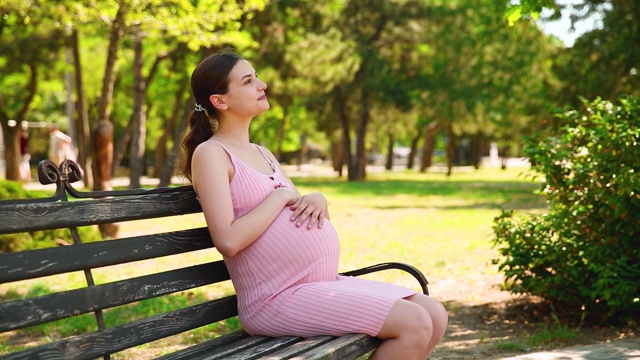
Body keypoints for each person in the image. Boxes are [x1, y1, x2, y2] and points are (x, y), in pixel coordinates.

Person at [180, 50, 448, 359]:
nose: (262, 84)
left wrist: (317, 199)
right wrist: (279, 196)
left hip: (319, 285)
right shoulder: (211, 154)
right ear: (220, 101)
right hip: (276, 298)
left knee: (434, 314)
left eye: (257, 76)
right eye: (248, 80)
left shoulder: (263, 153)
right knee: (414, 323)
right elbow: (227, 240)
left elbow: (298, 207)